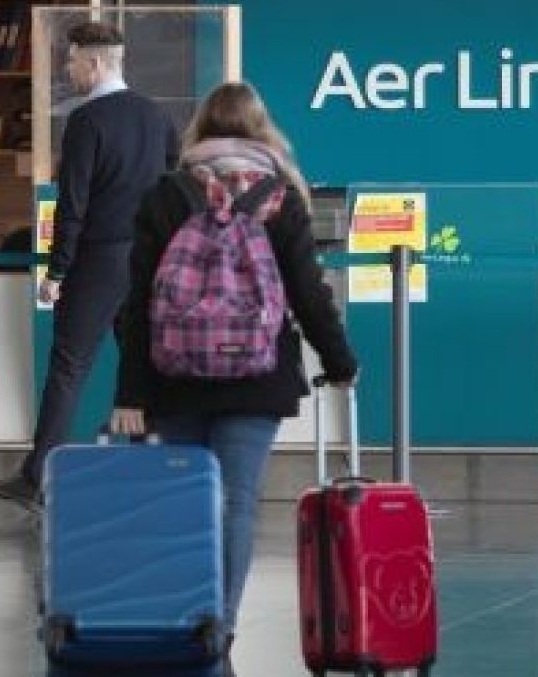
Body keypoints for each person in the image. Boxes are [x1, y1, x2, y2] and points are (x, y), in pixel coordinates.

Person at [109, 81, 359, 677]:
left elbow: (138, 300)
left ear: (199, 129)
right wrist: (339, 360)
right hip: (256, 374)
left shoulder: (166, 194)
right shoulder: (280, 196)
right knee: (236, 504)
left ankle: (184, 616)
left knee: (185, 502)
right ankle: (218, 627)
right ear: (261, 128)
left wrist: (132, 394)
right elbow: (308, 291)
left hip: (174, 378)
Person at [0, 21, 179, 509]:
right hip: (148, 257)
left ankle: (36, 478)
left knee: (69, 368)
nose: (67, 70)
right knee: (142, 366)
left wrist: (56, 271)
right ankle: (153, 472)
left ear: (95, 63)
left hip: (99, 259)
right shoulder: (159, 118)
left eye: (71, 62)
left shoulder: (87, 122)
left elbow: (74, 204)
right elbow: (174, 186)